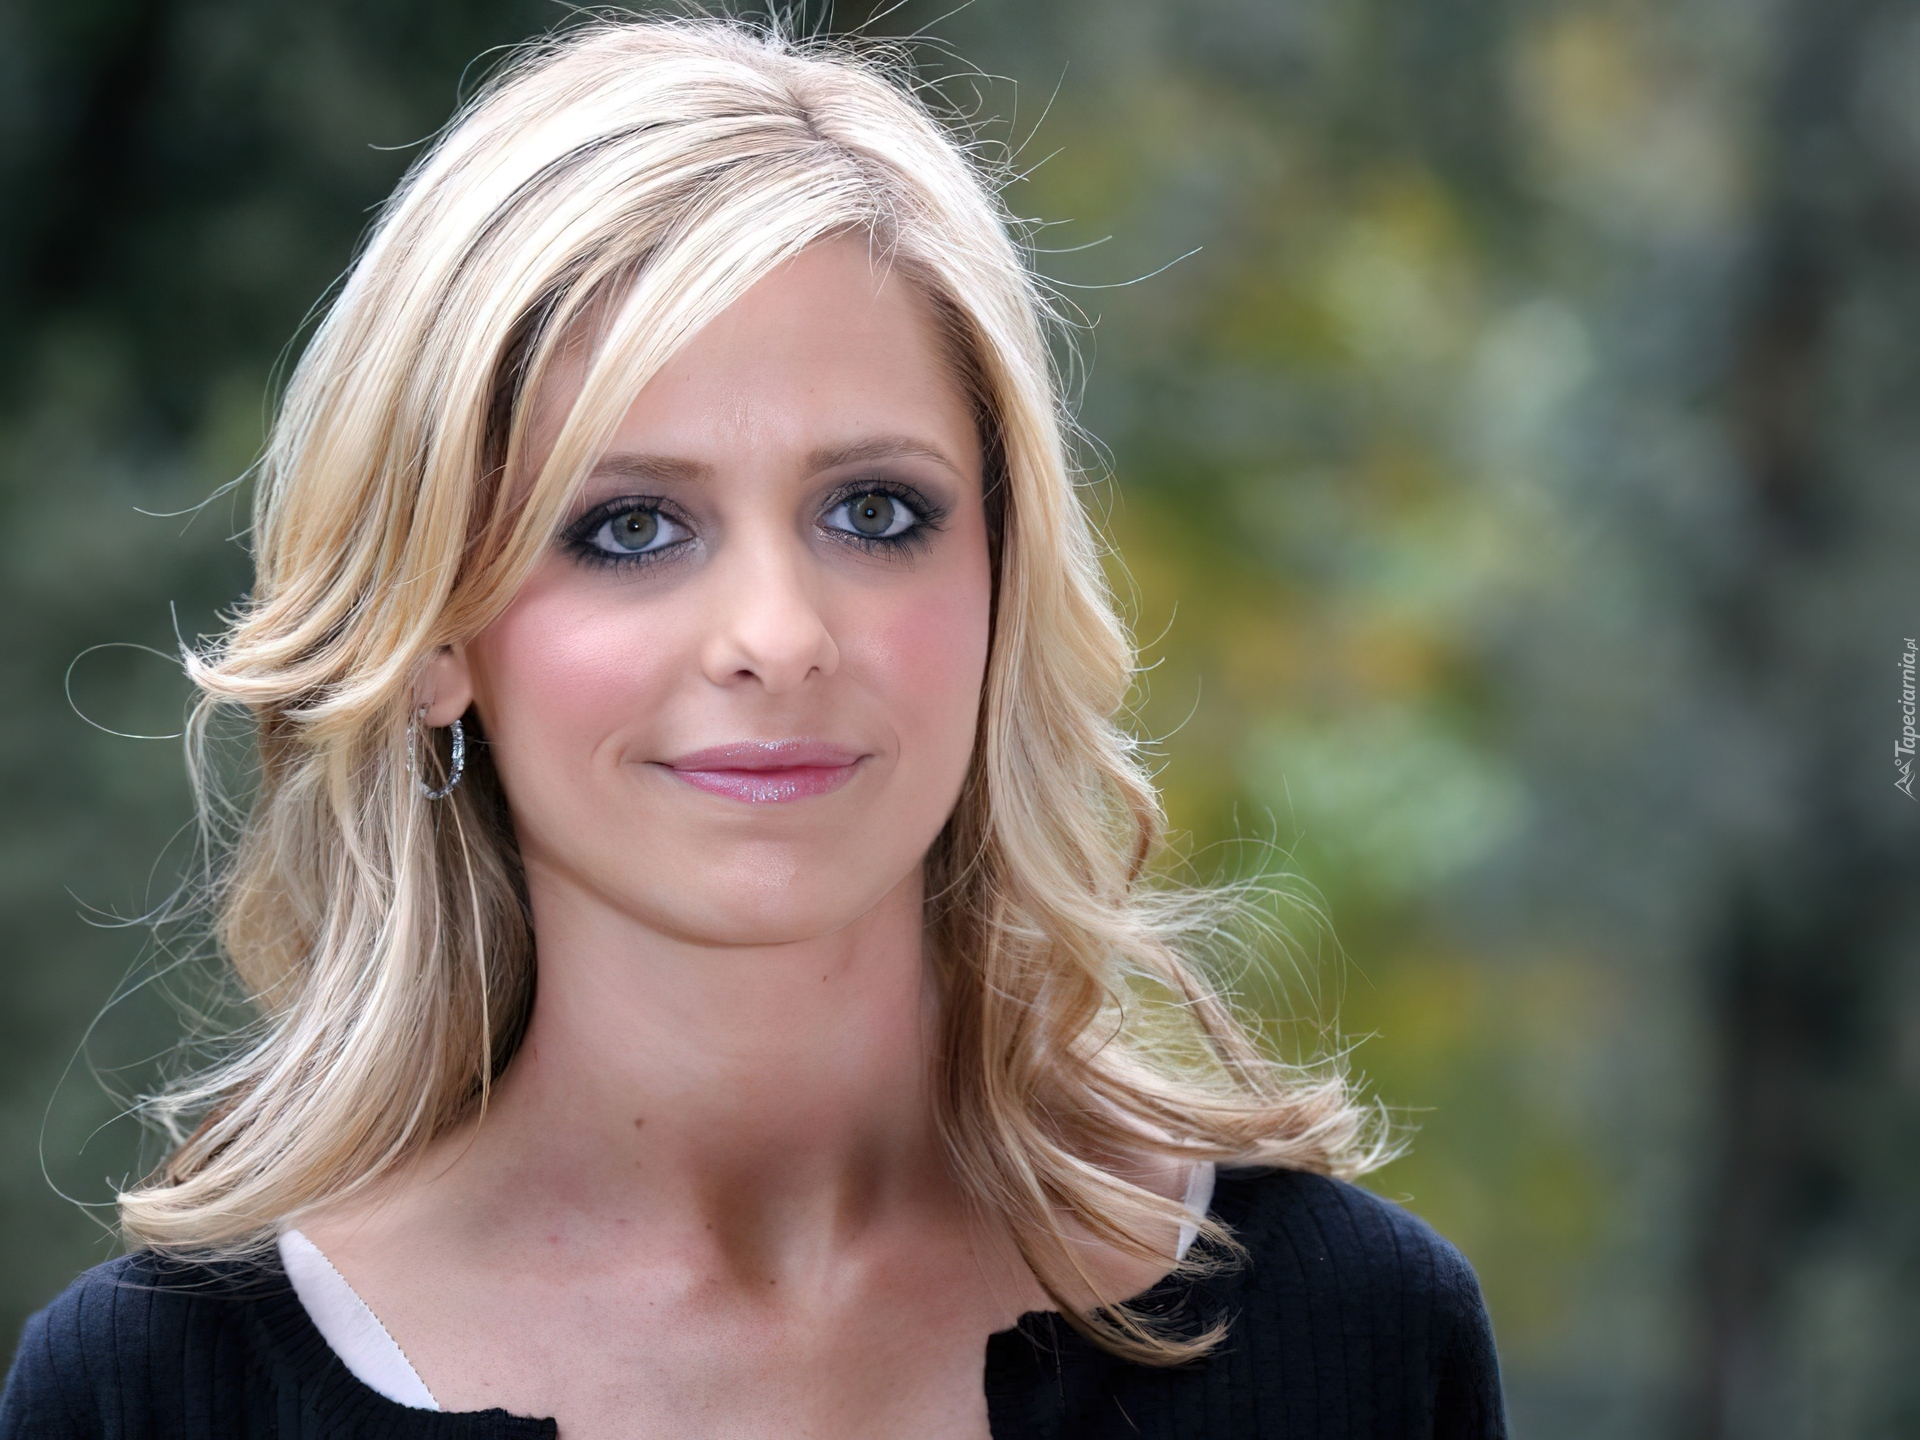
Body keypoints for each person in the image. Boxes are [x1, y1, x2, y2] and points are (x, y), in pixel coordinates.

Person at [0, 15, 1504, 1439]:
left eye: (875, 511)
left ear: (1003, 580)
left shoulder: (1352, 1337)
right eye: (631, 527)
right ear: (437, 634)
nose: (779, 638)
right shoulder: (153, 1396)